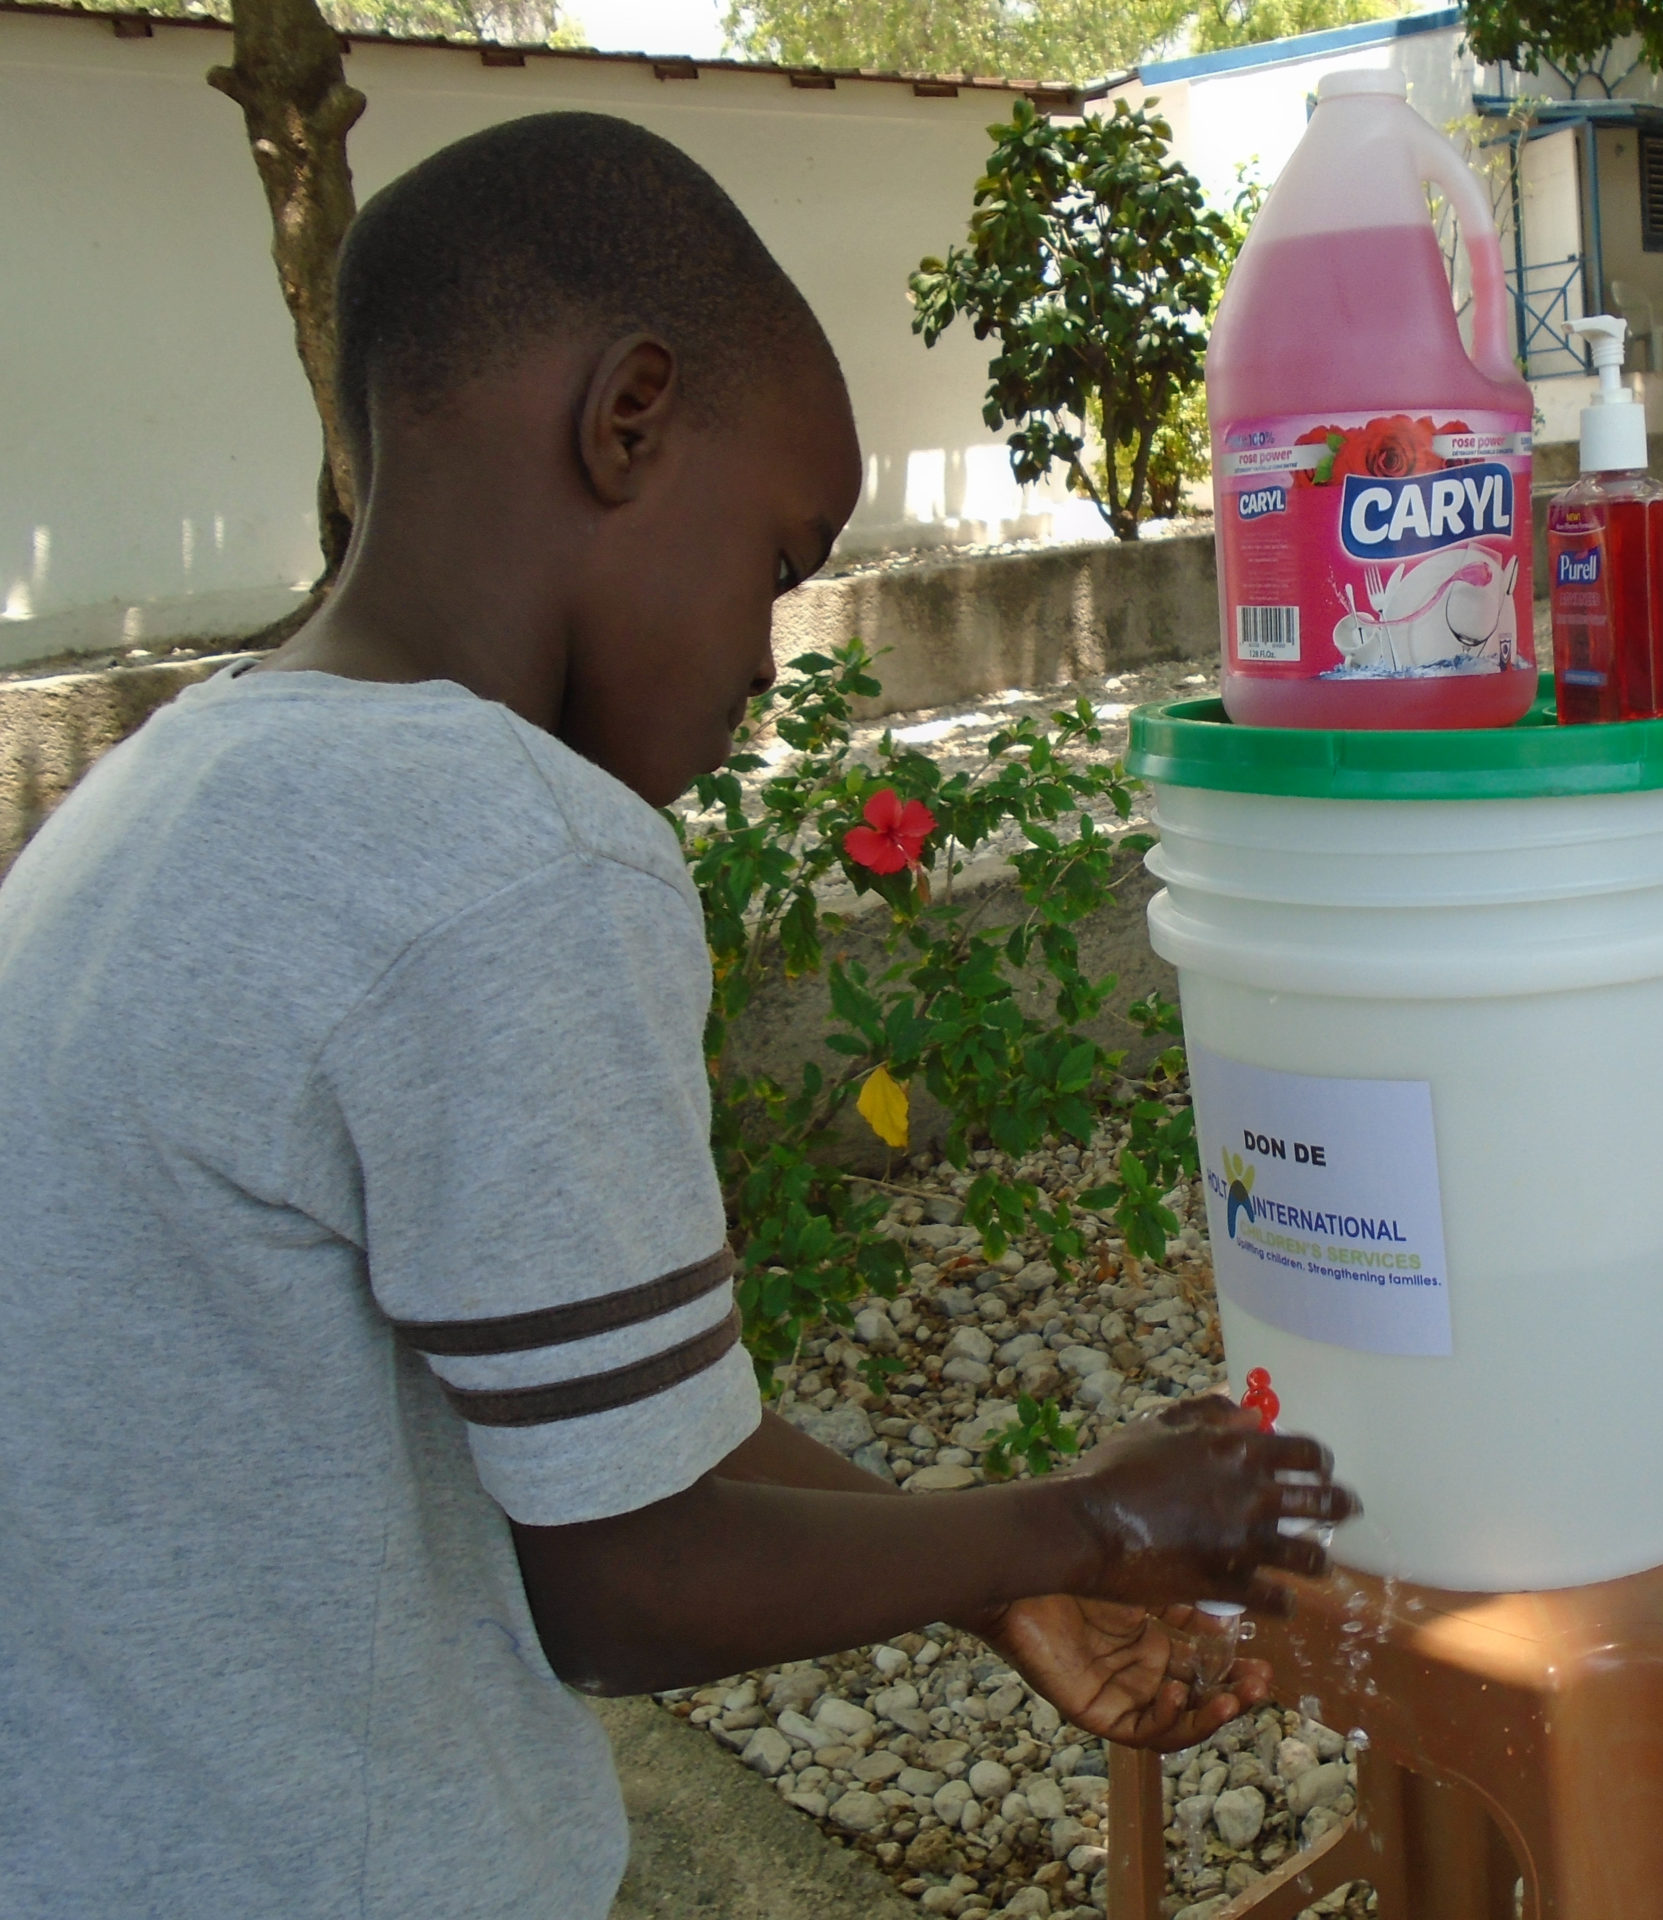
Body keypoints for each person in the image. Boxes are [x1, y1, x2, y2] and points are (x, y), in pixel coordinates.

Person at [0, 113, 1356, 1919]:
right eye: (780, 567)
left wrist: (976, 1574)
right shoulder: (510, 850)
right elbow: (623, 1571)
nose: (761, 655)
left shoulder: (177, 790)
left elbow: (615, 1434)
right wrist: (1093, 1521)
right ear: (628, 419)